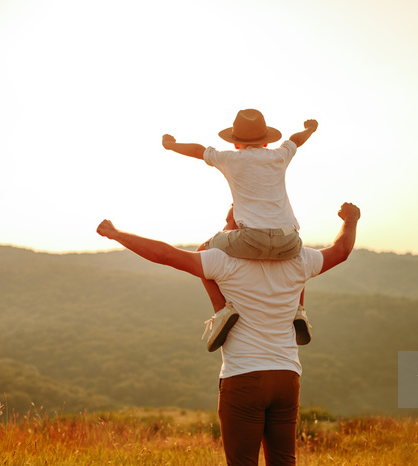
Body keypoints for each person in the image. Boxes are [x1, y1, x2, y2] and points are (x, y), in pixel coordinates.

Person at [96, 202, 360, 465]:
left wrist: (117, 234)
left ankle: (222, 311)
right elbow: (342, 250)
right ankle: (299, 310)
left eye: (228, 223)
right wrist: (350, 219)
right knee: (283, 461)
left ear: (242, 227)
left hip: (244, 378)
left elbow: (165, 255)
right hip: (287, 377)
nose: (224, 228)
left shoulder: (223, 262)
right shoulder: (299, 259)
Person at [162, 109, 319, 351]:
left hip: (251, 238)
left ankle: (222, 312)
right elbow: (296, 139)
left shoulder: (229, 159)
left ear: (235, 144)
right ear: (266, 140)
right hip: (289, 240)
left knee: (203, 250)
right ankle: (299, 310)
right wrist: (310, 129)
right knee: (299, 259)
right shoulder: (280, 155)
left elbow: (197, 149)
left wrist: (172, 145)